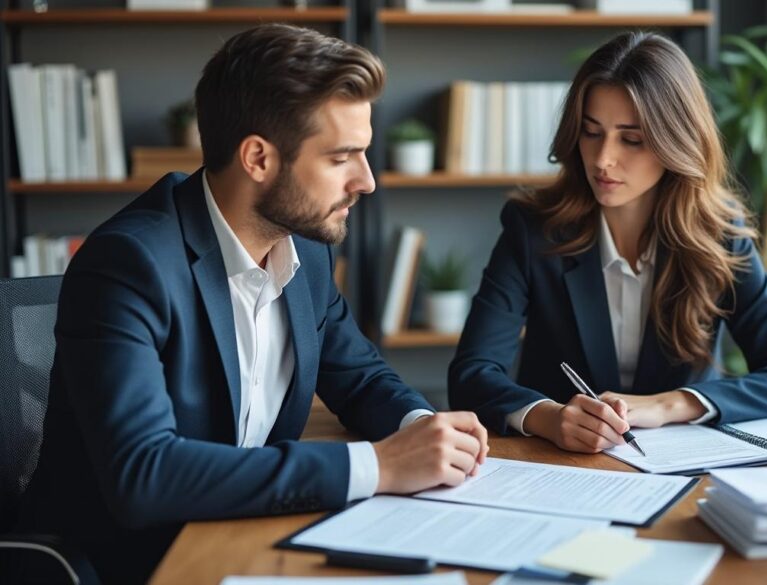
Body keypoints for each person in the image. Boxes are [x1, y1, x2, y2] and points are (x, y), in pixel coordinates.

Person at [18, 24, 487, 584]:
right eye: (343, 157)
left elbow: (359, 377)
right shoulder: (128, 264)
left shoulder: (303, 248)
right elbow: (144, 474)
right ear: (259, 158)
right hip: (134, 562)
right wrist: (381, 465)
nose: (367, 181)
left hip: (246, 533)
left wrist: (426, 433)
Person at [448, 31, 767, 454]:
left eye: (632, 139)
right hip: (562, 466)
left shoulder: (720, 234)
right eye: (592, 132)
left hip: (684, 465)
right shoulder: (533, 229)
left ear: (675, 142)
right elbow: (471, 374)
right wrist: (550, 417)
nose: (603, 159)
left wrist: (668, 406)